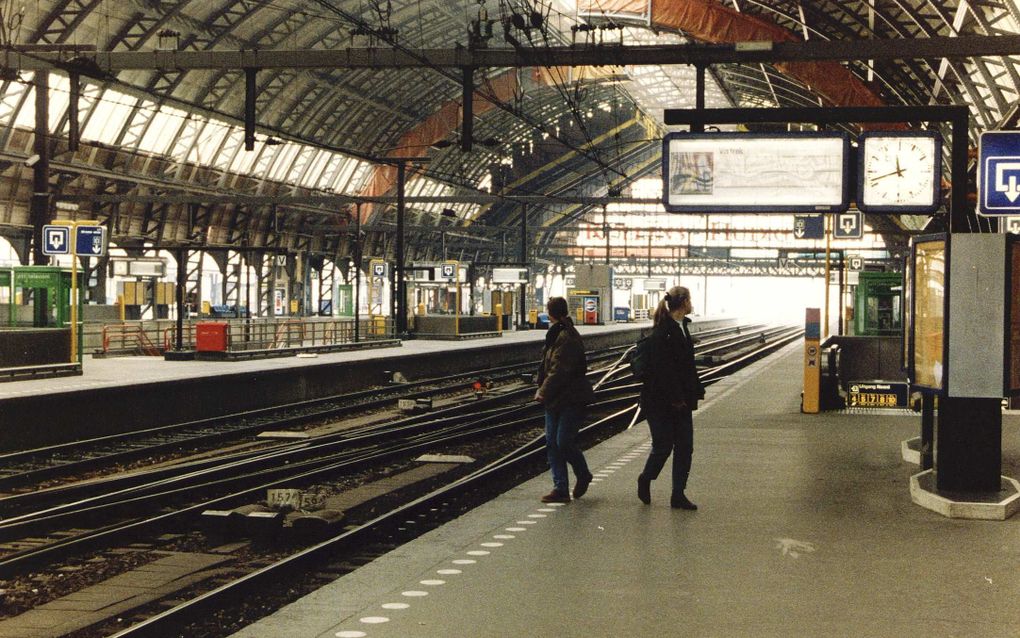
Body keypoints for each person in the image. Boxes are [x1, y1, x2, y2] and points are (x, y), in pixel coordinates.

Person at [637, 285, 705, 510]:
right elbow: (663, 369)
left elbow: (685, 368)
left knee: (685, 447)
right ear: (684, 302)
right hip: (660, 401)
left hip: (681, 400)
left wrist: (694, 391)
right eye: (690, 299)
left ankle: (678, 494)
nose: (691, 303)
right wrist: (676, 397)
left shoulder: (683, 327)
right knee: (663, 446)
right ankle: (646, 478)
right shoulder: (662, 332)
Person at [534, 297, 594, 503]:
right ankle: (560, 488)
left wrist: (542, 390)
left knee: (563, 442)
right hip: (556, 398)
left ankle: (583, 474)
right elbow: (548, 365)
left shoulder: (565, 336)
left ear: (551, 313)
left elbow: (559, 370)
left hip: (571, 397)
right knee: (552, 443)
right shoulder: (556, 334)